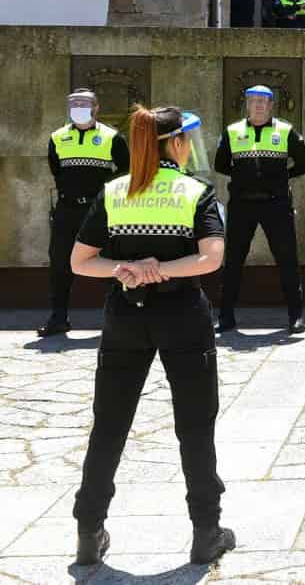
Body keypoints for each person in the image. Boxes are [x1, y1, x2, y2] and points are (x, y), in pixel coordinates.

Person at [68, 106, 235, 566]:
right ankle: (206, 532)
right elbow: (211, 258)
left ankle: (88, 531)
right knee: (195, 427)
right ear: (176, 143)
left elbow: (80, 262)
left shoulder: (115, 191)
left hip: (124, 315)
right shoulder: (194, 191)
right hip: (182, 315)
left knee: (109, 426)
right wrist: (160, 269)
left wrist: (129, 270)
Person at [213, 85, 305, 333]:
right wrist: (244, 177)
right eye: (254, 100)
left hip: (276, 204)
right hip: (242, 204)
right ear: (246, 104)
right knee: (234, 260)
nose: (258, 105)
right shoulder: (232, 131)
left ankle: (296, 316)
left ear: (271, 105)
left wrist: (281, 177)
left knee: (287, 259)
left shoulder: (286, 131)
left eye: (263, 101)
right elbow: (220, 164)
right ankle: (226, 317)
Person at [41, 89, 130, 337]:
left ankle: (120, 318)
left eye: (84, 103)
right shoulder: (57, 137)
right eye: (74, 103)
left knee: (109, 261)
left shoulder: (112, 137)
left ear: (96, 108)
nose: (79, 107)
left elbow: (125, 172)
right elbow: (56, 169)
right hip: (67, 209)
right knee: (59, 262)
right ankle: (58, 318)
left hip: (99, 210)